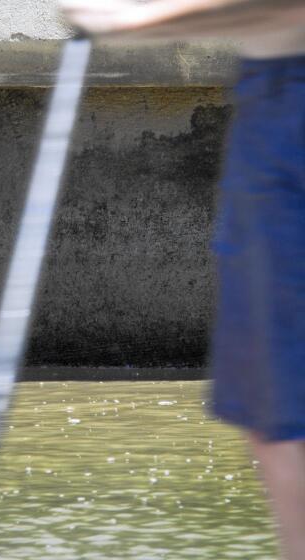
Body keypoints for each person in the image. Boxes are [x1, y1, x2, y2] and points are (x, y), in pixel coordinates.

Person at [62, 1, 305, 558]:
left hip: (289, 99)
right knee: (273, 414)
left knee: (280, 415)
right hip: (275, 97)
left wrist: (133, 22)